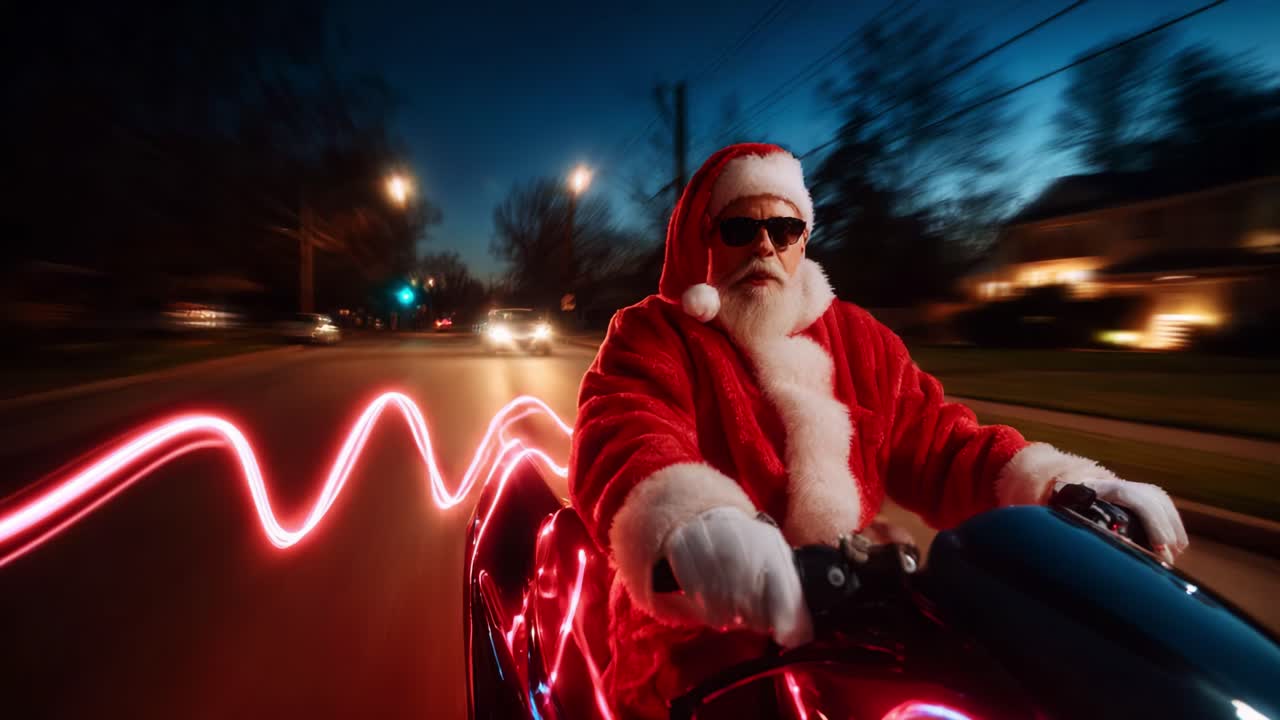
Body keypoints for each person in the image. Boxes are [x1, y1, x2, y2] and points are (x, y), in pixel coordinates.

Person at [568, 143, 1188, 718]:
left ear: (802, 240)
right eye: (741, 228)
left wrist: (1065, 494)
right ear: (706, 239)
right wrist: (697, 529)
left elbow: (944, 442)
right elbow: (624, 427)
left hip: (856, 624)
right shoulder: (654, 333)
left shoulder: (860, 339)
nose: (765, 246)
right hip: (700, 642)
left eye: (785, 230)